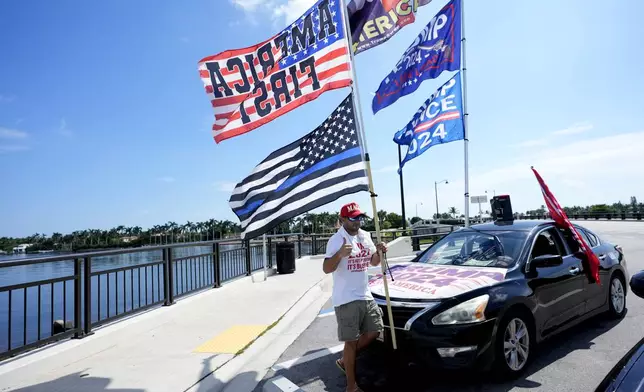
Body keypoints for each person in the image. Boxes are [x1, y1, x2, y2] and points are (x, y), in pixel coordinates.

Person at [323, 202, 388, 392]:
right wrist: (340, 255)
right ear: (343, 219)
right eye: (353, 218)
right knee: (350, 342)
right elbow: (327, 268)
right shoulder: (336, 240)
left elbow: (373, 261)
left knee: (374, 331)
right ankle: (351, 386)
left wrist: (380, 251)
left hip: (365, 294)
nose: (357, 221)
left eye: (359, 217)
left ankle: (345, 360)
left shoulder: (365, 235)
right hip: (346, 299)